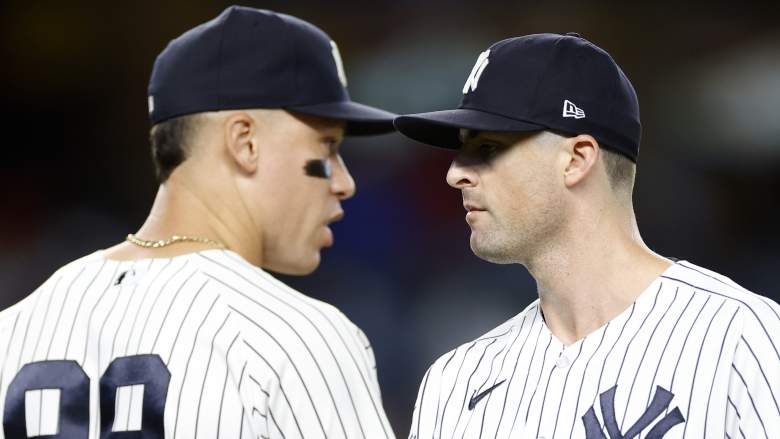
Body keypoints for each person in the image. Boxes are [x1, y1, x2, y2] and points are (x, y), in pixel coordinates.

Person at [0, 6, 397, 438]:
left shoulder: (15, 327)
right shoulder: (297, 335)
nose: (344, 181)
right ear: (246, 142)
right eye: (326, 146)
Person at [394, 33, 780, 439]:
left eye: (487, 147)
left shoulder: (741, 337)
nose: (455, 173)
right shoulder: (455, 382)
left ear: (576, 160)